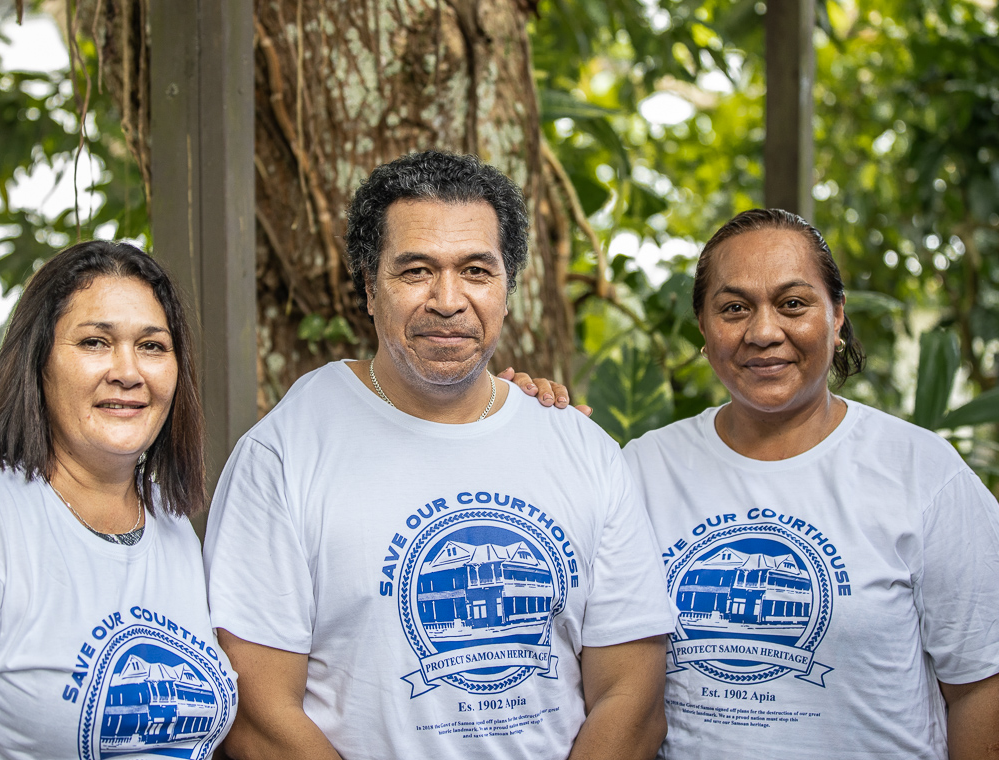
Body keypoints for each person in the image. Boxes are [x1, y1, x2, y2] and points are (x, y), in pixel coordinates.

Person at [203, 150, 676, 760]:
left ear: (508, 288)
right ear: (369, 287)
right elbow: (257, 715)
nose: (448, 300)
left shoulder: (583, 450)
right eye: (416, 271)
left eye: (476, 270)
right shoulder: (283, 453)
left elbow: (633, 697)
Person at [617, 209, 999, 759]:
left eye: (793, 304)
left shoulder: (925, 474)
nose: (764, 332)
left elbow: (986, 690)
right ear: (703, 327)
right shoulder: (643, 468)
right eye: (734, 308)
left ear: (837, 317)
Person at [0, 242, 237, 760]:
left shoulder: (170, 523)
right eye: (95, 342)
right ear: (39, 363)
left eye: (152, 346)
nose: (128, 371)